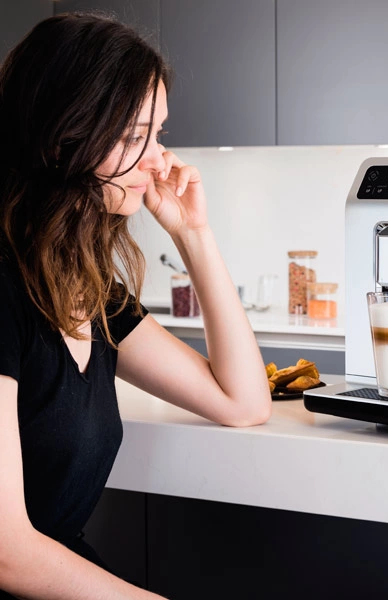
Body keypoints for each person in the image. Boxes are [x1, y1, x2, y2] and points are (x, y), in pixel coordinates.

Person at [0, 12, 271, 599]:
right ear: (61, 137)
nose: (157, 158)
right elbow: (7, 553)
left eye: (158, 134)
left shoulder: (88, 288)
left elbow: (243, 402)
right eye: (132, 137)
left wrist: (194, 234)